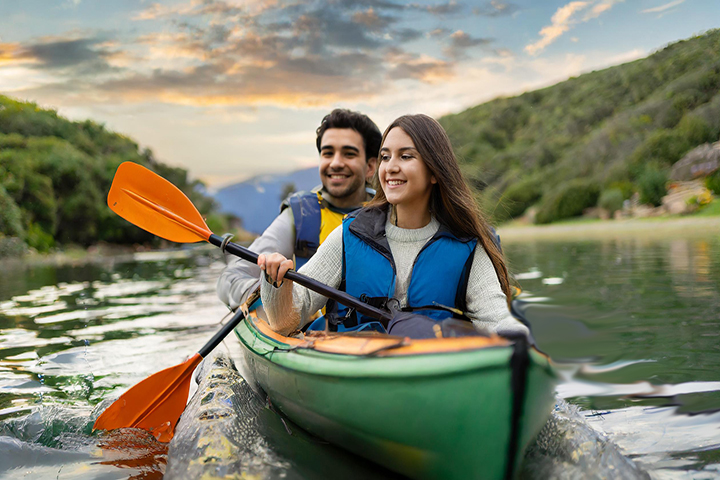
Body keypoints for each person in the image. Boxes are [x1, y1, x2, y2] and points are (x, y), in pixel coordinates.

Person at [258, 114, 529, 338]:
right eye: (386, 157)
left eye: (406, 157)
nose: (391, 167)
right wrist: (273, 282)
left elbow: (496, 319)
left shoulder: (467, 245)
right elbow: (286, 321)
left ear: (435, 172)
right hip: (353, 367)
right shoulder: (350, 234)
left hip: (433, 368)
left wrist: (521, 343)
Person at [216, 109, 381, 310]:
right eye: (328, 153)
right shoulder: (303, 215)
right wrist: (270, 295)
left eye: (349, 154)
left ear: (370, 167)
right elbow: (232, 277)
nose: (336, 163)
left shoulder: (391, 213)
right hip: (311, 334)